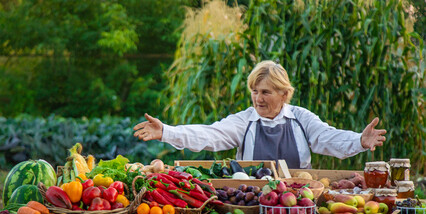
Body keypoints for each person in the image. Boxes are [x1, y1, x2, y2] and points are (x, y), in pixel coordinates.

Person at [133, 60, 386, 169]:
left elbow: (328, 138)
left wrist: (359, 141)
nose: (258, 98)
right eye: (254, 91)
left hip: (297, 202)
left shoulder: (302, 118)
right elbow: (209, 134)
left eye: (265, 92)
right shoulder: (245, 121)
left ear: (284, 94)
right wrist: (166, 131)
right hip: (252, 201)